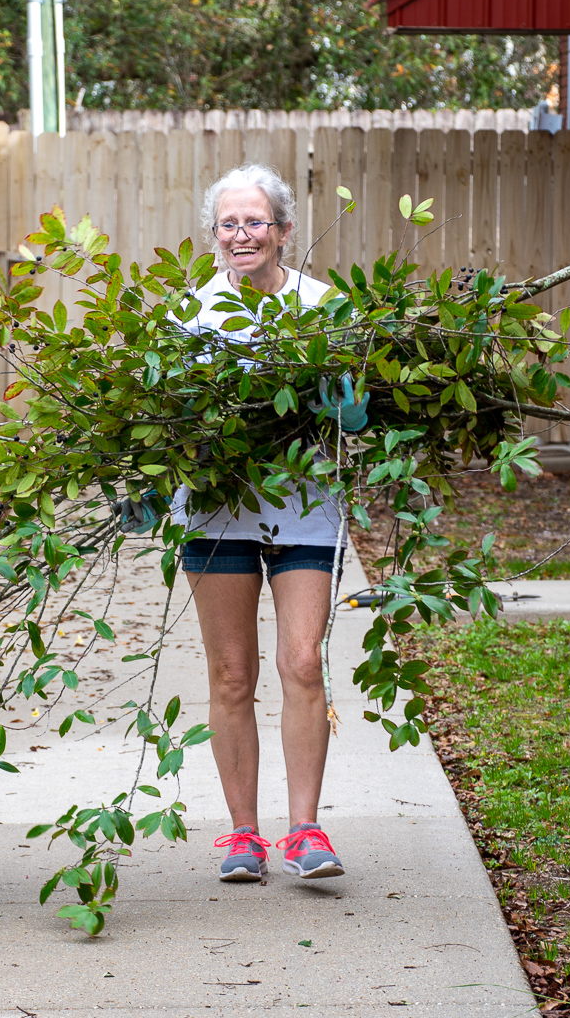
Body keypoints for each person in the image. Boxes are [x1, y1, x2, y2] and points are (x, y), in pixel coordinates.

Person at [171, 164, 366, 882]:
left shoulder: (324, 308)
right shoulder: (189, 318)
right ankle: (244, 837)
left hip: (304, 506)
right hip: (216, 509)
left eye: (256, 221)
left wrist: (350, 407)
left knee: (302, 663)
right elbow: (166, 424)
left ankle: (306, 832)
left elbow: (354, 418)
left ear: (283, 231)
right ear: (214, 235)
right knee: (230, 674)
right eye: (229, 223)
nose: (242, 233)